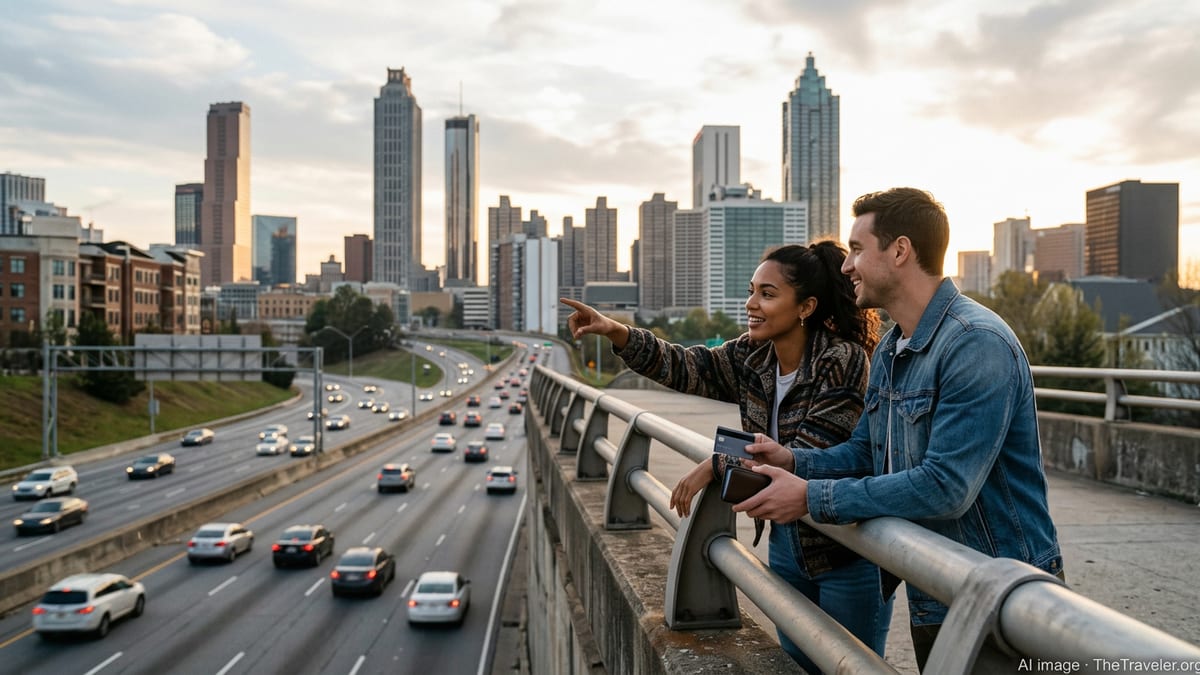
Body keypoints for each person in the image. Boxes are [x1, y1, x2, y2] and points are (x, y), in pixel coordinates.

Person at [734, 188, 1063, 670]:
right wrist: (794, 461)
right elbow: (866, 451)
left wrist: (811, 498)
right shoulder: (891, 348)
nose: (845, 266)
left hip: (1002, 595)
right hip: (936, 583)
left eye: (857, 249)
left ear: (900, 251)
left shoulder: (976, 344)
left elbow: (946, 487)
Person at [561, 241, 893, 672]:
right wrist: (616, 332)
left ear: (805, 306)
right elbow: (686, 365)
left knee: (851, 668)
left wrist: (717, 464)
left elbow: (809, 456)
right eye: (752, 290)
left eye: (768, 294)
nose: (751, 304)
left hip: (846, 550)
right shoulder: (752, 354)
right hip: (788, 543)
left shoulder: (841, 359)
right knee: (796, 665)